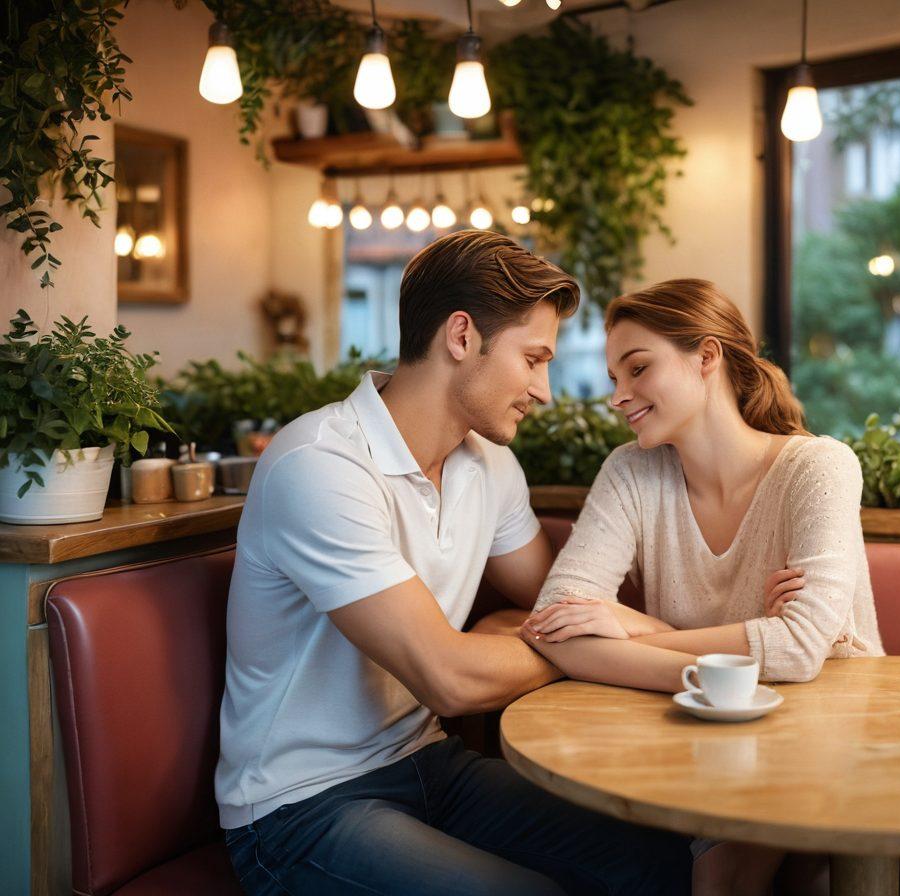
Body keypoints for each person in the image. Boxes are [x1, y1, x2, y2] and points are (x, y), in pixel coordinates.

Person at [215, 231, 692, 896]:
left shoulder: (490, 464)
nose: (544, 390)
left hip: (427, 763)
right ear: (462, 337)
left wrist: (559, 631)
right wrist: (593, 642)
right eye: (532, 359)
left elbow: (551, 602)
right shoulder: (320, 466)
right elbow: (451, 679)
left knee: (657, 852)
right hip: (300, 808)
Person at [518, 279, 885, 896]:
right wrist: (732, 644)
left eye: (637, 369)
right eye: (614, 378)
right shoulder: (632, 471)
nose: (619, 396)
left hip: (825, 736)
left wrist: (643, 632)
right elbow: (554, 624)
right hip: (702, 740)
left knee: (743, 868)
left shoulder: (818, 467)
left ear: (707, 357)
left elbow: (798, 652)